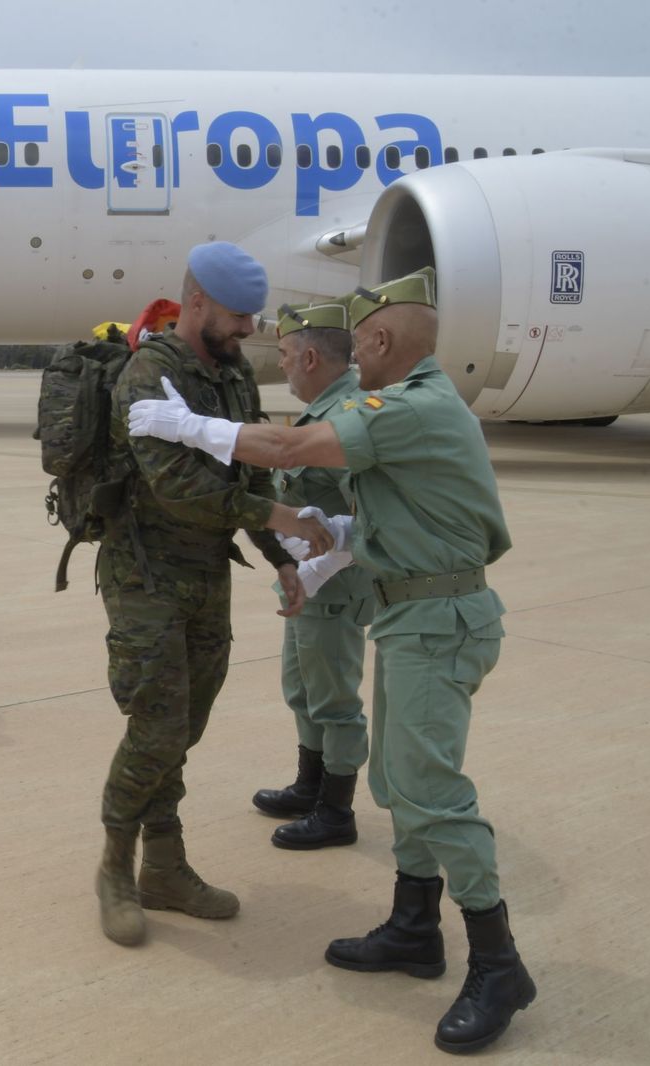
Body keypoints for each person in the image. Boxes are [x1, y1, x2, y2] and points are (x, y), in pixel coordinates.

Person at [126, 267, 534, 1054]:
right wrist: (333, 541)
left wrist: (180, 425)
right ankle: (415, 928)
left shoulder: (407, 406)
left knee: (434, 794)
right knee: (400, 784)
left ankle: (500, 964)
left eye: (360, 346)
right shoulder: (415, 407)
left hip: (437, 620)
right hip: (416, 611)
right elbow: (403, 517)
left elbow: (284, 442)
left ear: (379, 341)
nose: (350, 362)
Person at [86, 242, 336, 950]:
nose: (249, 328)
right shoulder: (147, 374)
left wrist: (279, 557)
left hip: (205, 574)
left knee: (185, 725)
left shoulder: (229, 376)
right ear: (196, 303)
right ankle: (115, 870)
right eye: (237, 315)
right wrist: (279, 521)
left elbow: (250, 475)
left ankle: (165, 868)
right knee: (157, 728)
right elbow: (178, 484)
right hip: (143, 577)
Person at [248, 301, 376, 851]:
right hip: (305, 584)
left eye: (283, 355)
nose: (280, 366)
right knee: (302, 691)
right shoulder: (322, 410)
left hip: (334, 588)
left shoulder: (348, 415)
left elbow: (371, 513)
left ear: (309, 356)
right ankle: (310, 785)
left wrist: (326, 564)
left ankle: (336, 811)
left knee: (334, 701)